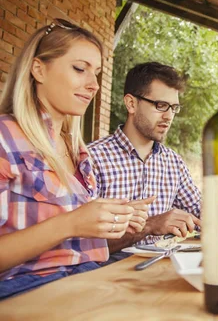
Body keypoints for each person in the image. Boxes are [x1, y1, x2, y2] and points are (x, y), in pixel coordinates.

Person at [0, 19, 149, 299]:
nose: (93, 85)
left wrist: (113, 220)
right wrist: (72, 223)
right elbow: (69, 226)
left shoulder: (77, 150)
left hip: (88, 279)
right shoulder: (5, 137)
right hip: (26, 289)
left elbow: (77, 242)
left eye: (97, 74)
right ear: (39, 69)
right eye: (80, 69)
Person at [89, 62, 202, 253]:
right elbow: (84, 244)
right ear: (131, 103)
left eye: (174, 108)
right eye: (161, 105)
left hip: (161, 268)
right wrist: (150, 225)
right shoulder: (93, 159)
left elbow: (202, 214)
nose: (169, 116)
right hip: (108, 273)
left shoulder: (173, 163)